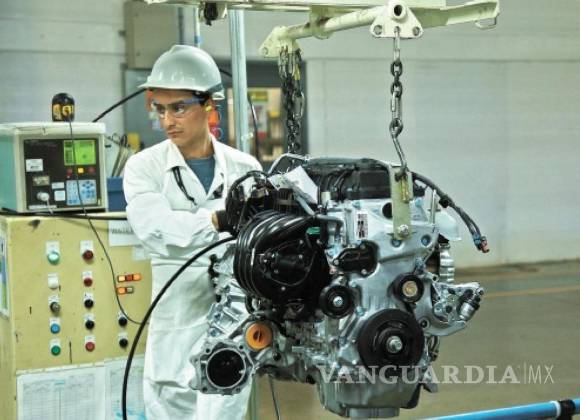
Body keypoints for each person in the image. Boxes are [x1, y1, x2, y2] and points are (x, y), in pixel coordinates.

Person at [123, 44, 261, 420]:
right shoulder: (143, 167)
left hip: (233, 325)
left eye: (179, 108)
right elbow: (155, 229)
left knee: (225, 407)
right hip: (176, 323)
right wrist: (217, 220)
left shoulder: (245, 167)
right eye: (160, 109)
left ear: (208, 105)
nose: (168, 120)